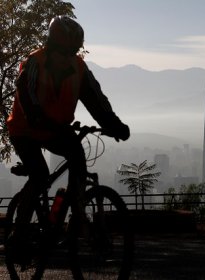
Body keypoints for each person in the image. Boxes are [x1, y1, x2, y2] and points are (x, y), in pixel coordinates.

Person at [6, 15, 130, 261]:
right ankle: (16, 237)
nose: (67, 58)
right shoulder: (33, 64)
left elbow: (96, 100)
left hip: (56, 129)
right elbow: (27, 99)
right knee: (40, 175)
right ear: (51, 47)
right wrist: (44, 121)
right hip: (25, 130)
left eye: (72, 52)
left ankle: (75, 213)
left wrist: (114, 125)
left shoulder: (79, 68)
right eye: (63, 52)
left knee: (78, 158)